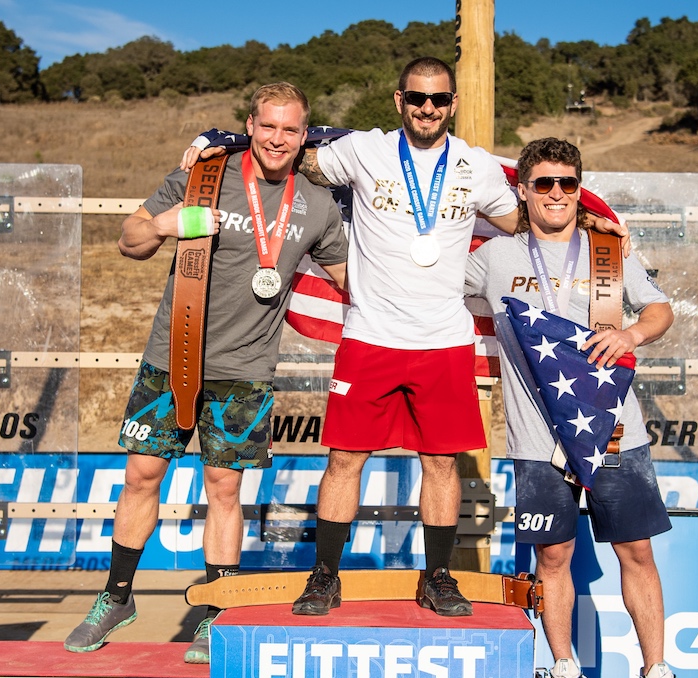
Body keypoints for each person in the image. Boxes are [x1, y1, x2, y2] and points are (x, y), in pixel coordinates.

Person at [182, 58, 628, 618]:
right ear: (399, 101)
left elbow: (528, 218)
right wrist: (219, 141)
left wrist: (591, 223)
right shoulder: (365, 150)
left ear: (452, 103)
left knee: (442, 464)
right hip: (370, 336)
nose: (427, 108)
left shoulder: (476, 166)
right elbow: (289, 150)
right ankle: (325, 575)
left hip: (443, 341)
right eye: (417, 98)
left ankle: (437, 577)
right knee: (345, 460)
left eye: (438, 99)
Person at [63, 82, 348, 662]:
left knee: (224, 488)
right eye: (267, 126)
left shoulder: (317, 204)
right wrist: (168, 224)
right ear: (250, 125)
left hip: (244, 370)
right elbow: (130, 240)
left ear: (304, 135)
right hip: (173, 358)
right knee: (141, 476)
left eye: (290, 129)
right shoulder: (203, 176)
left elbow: (350, 279)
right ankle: (117, 597)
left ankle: (217, 611)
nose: (276, 138)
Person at [464, 137, 681, 678]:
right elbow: (425, 288)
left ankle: (656, 670)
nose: (556, 194)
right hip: (538, 439)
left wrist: (631, 332)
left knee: (636, 550)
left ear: (579, 190)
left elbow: (660, 309)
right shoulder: (493, 258)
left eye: (567, 184)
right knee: (553, 555)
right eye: (543, 183)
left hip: (613, 430)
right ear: (523, 189)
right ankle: (564, 668)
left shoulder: (607, 250)